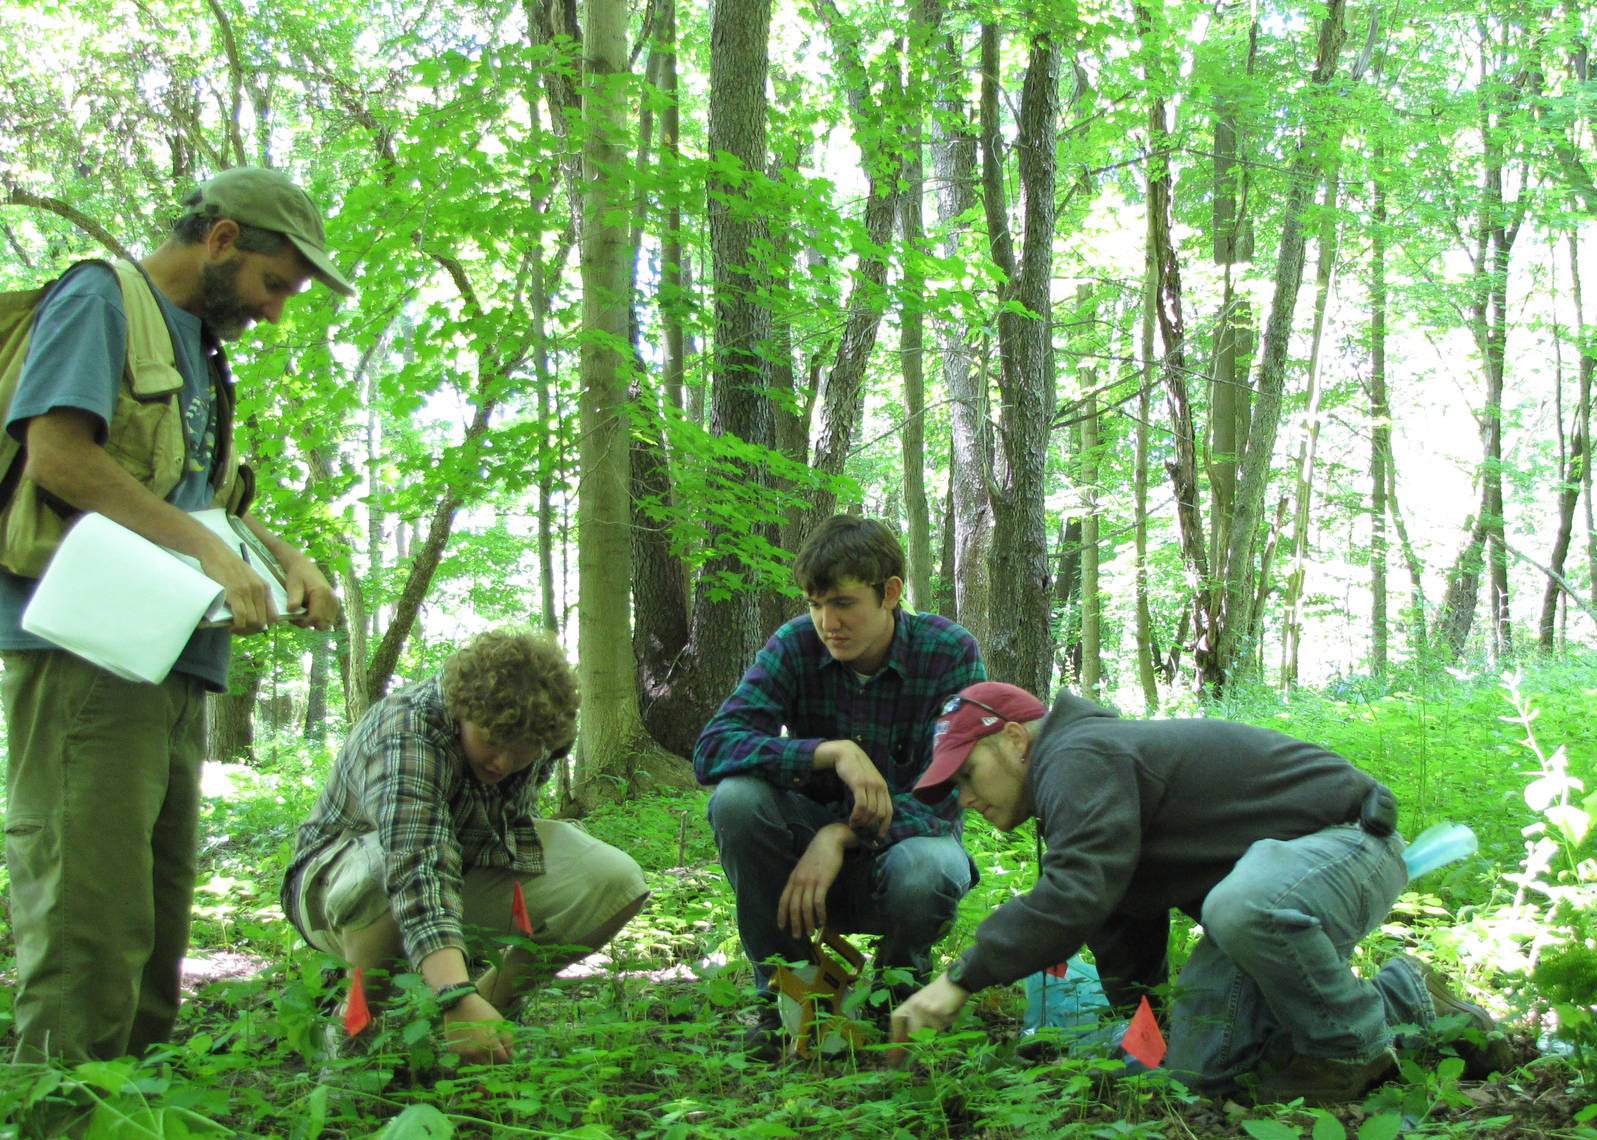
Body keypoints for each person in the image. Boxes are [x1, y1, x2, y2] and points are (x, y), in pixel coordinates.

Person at [3, 166, 346, 1064]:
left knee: (154, 935)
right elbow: (57, 455)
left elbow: (197, 499)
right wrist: (208, 554)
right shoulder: (101, 299)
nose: (276, 313)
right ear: (223, 239)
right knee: (87, 929)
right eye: (276, 285)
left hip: (174, 662)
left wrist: (285, 559)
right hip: (90, 654)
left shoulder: (200, 351)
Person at [889, 684, 1511, 1103]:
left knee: (1242, 906)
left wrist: (960, 979)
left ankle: (1350, 1050)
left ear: (1017, 742)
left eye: (967, 774)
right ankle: (1407, 1000)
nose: (965, 800)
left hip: (1348, 844)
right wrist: (1150, 1025)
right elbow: (1113, 912)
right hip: (1288, 875)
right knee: (1201, 1069)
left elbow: (1074, 893)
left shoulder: (1078, 754)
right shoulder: (1078, 783)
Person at [284, 630, 648, 1066]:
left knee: (614, 880)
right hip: (338, 890)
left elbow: (497, 828)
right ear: (461, 711)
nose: (503, 763)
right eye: (492, 742)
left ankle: (486, 1015)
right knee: (382, 866)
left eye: (522, 750)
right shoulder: (407, 733)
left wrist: (465, 999)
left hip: (463, 864)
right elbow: (416, 863)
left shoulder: (544, 733)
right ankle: (357, 1032)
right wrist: (452, 991)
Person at [694, 515, 985, 1055]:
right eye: (815, 603)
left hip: (901, 857)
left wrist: (838, 836)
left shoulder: (947, 652)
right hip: (801, 870)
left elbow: (946, 795)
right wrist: (830, 753)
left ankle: (896, 996)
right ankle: (786, 998)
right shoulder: (795, 645)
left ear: (890, 593)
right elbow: (713, 747)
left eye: (844, 603)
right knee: (736, 800)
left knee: (930, 868)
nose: (829, 622)